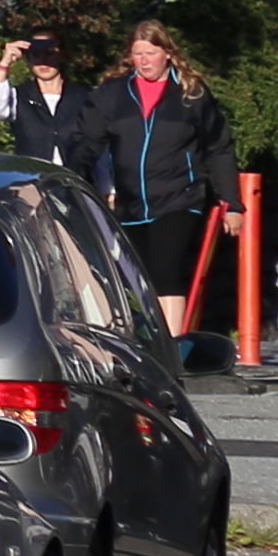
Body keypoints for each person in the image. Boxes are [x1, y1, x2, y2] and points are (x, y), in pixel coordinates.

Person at [84, 19, 235, 340]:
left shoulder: (190, 94)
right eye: (138, 53)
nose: (144, 60)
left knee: (166, 271)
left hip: (179, 197)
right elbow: (86, 142)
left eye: (151, 53)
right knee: (141, 277)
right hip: (130, 201)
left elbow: (218, 148)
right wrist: (73, 179)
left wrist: (232, 202)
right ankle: (151, 342)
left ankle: (172, 348)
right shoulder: (113, 93)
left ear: (167, 53)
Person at [0, 33, 103, 187]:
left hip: (75, 187)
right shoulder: (18, 96)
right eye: (36, 55)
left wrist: (108, 188)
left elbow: (97, 148)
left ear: (62, 56)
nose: (43, 61)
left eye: (49, 54)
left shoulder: (84, 97)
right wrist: (4, 64)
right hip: (31, 186)